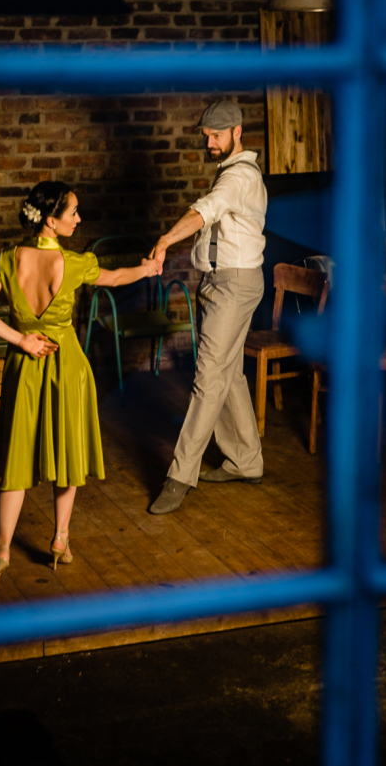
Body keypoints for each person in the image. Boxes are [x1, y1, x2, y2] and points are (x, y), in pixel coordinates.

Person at [0, 180, 160, 592]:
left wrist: (21, 339)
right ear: (52, 220)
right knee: (67, 452)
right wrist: (147, 269)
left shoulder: (6, 259)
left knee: (17, 459)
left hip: (25, 365)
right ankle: (60, 538)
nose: (79, 218)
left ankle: (2, 551)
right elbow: (113, 278)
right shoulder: (74, 264)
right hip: (67, 364)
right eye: (73, 212)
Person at [148, 99, 268, 515]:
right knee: (228, 372)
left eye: (217, 135)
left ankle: (180, 476)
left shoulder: (238, 178)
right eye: (207, 136)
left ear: (237, 131)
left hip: (233, 285)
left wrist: (165, 240)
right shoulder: (230, 174)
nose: (210, 142)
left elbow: (205, 212)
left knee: (207, 378)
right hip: (220, 283)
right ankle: (246, 461)